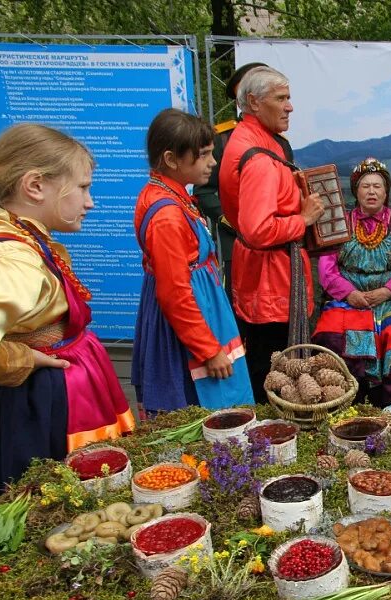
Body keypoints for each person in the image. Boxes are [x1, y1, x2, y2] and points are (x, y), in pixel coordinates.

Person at [0, 124, 135, 500]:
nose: (90, 202)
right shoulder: (13, 258)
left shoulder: (23, 237)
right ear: (35, 185)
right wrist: (22, 357)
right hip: (35, 409)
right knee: (48, 494)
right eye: (82, 187)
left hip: (45, 400)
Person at [131, 109, 253, 417]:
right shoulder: (167, 217)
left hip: (202, 312)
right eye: (204, 155)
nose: (213, 162)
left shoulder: (172, 197)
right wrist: (208, 350)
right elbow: (174, 292)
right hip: (187, 332)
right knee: (197, 407)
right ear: (172, 159)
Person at [219, 65, 325, 401]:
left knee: (272, 363)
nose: (289, 106)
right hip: (270, 282)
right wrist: (304, 219)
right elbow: (259, 229)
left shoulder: (257, 141)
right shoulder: (259, 159)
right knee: (275, 371)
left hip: (267, 275)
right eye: (281, 98)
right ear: (253, 102)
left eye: (289, 97)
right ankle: (271, 436)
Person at [313, 157, 391, 406]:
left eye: (377, 186)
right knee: (332, 331)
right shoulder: (340, 223)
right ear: (356, 191)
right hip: (348, 300)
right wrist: (349, 294)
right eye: (365, 186)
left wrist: (387, 290)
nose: (371, 191)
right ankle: (346, 400)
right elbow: (327, 269)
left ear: (386, 191)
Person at [195, 62, 289, 298]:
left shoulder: (279, 142)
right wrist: (234, 222)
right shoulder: (224, 139)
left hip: (277, 243)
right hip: (236, 240)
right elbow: (204, 191)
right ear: (248, 99)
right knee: (241, 305)